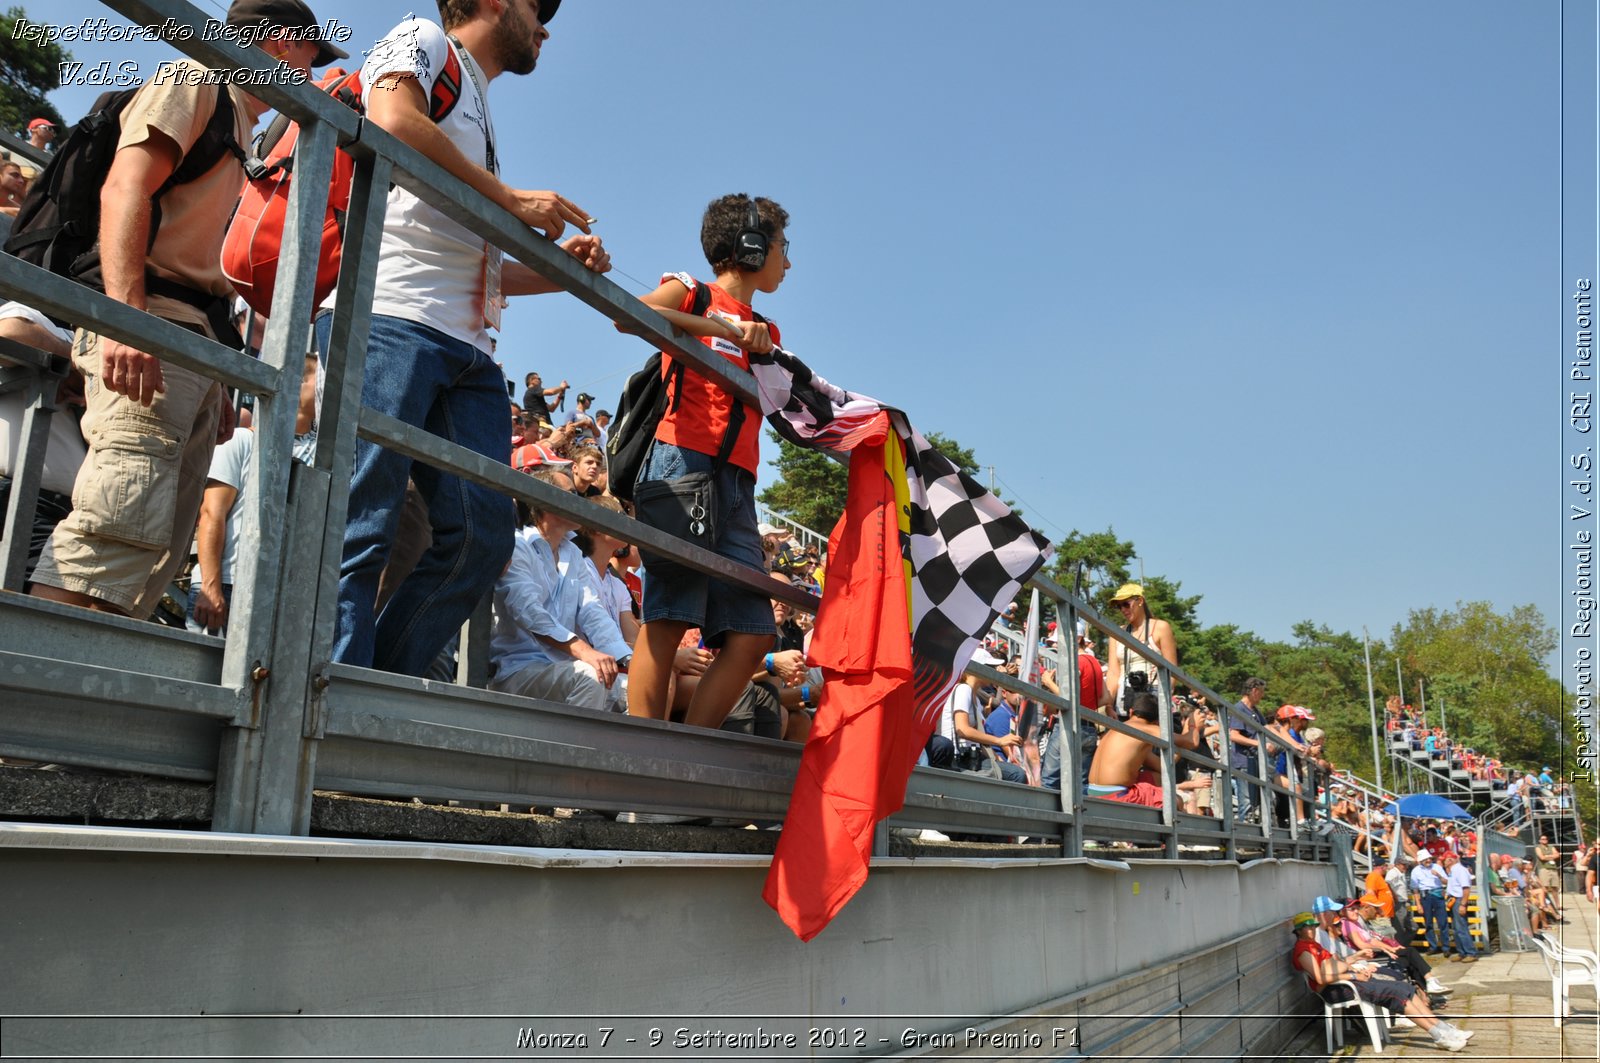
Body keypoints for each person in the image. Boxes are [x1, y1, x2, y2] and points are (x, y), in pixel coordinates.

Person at [29, 0, 336, 619]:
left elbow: (203, 261)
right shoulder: (195, 80)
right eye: (312, 53)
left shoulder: (245, 128)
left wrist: (216, 376)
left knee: (152, 552)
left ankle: (76, 701)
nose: (314, 71)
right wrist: (128, 321)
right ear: (279, 43)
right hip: (151, 324)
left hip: (188, 340)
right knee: (113, 533)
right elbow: (126, 187)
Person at [329, 0, 611, 676]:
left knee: (484, 537)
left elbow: (477, 262)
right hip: (394, 317)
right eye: (534, 6)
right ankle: (325, 687)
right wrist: (511, 201)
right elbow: (392, 117)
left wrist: (562, 269)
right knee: (363, 522)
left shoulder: (477, 103)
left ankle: (370, 685)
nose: (545, 24)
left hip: (468, 348)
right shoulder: (421, 34)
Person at [624, 194, 790, 729]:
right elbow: (632, 315)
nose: (788, 262)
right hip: (680, 463)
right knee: (669, 617)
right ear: (752, 246)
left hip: (739, 482)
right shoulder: (692, 291)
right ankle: (640, 763)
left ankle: (687, 754)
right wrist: (722, 330)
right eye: (783, 247)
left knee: (753, 634)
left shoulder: (769, 329)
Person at [488, 465, 630, 711]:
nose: (579, 501)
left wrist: (630, 660)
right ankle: (574, 750)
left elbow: (592, 611)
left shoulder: (573, 553)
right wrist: (585, 651)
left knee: (640, 691)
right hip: (519, 670)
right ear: (544, 502)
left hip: (563, 669)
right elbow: (528, 610)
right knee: (591, 677)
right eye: (570, 494)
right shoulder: (518, 546)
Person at [1289, 912, 1472, 1052]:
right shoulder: (1303, 950)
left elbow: (1336, 965)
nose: (1312, 930)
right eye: (1307, 927)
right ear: (1298, 931)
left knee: (1405, 987)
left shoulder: (1314, 945)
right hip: (1338, 989)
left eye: (1313, 926)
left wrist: (1355, 964)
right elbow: (1322, 979)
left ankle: (1442, 1027)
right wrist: (1353, 975)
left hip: (1346, 981)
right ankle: (1438, 1036)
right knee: (1397, 995)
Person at [188, 410, 255, 635]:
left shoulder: (313, 455)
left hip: (264, 591)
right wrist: (210, 586)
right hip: (226, 584)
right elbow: (211, 513)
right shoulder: (240, 441)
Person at [1085, 690, 1202, 806]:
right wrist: (1193, 725)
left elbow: (1163, 766)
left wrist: (1185, 735)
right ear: (1157, 721)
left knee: (1156, 777)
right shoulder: (1147, 729)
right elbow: (1191, 742)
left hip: (1094, 791)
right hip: (1118, 795)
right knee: (1177, 801)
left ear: (1131, 712)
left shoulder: (1117, 729)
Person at [1102, 582, 1177, 718]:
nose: (1123, 609)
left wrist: (1161, 699)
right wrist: (1108, 705)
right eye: (1119, 606)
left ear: (1140, 601)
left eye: (1126, 604)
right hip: (1124, 698)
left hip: (1153, 699)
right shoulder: (1117, 633)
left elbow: (1171, 671)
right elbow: (1113, 673)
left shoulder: (1160, 627)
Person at [1228, 676, 1268, 822]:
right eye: (1261, 692)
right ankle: (1245, 834)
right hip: (1243, 761)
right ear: (1254, 690)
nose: (1262, 696)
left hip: (1255, 761)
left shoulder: (1255, 711)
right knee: (1246, 800)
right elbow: (1233, 735)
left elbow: (1267, 729)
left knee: (1257, 801)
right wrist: (1258, 744)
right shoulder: (1239, 709)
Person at [1440, 852, 1478, 962]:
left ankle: (1470, 953)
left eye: (1445, 860)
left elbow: (1466, 888)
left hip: (1458, 901)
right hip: (1453, 900)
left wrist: (1463, 904)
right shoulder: (1453, 871)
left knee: (1461, 928)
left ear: (1451, 860)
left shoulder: (1459, 870)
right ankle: (1462, 952)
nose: (1444, 862)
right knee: (1457, 929)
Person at [1410, 850, 1449, 956]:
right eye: (1425, 859)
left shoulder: (1437, 867)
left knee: (1443, 922)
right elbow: (1415, 889)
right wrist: (1418, 904)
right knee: (1428, 923)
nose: (1428, 860)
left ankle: (1446, 947)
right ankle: (1433, 946)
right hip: (1425, 896)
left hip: (1437, 894)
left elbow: (1447, 881)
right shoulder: (1416, 871)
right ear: (1421, 861)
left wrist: (1439, 876)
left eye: (1429, 858)